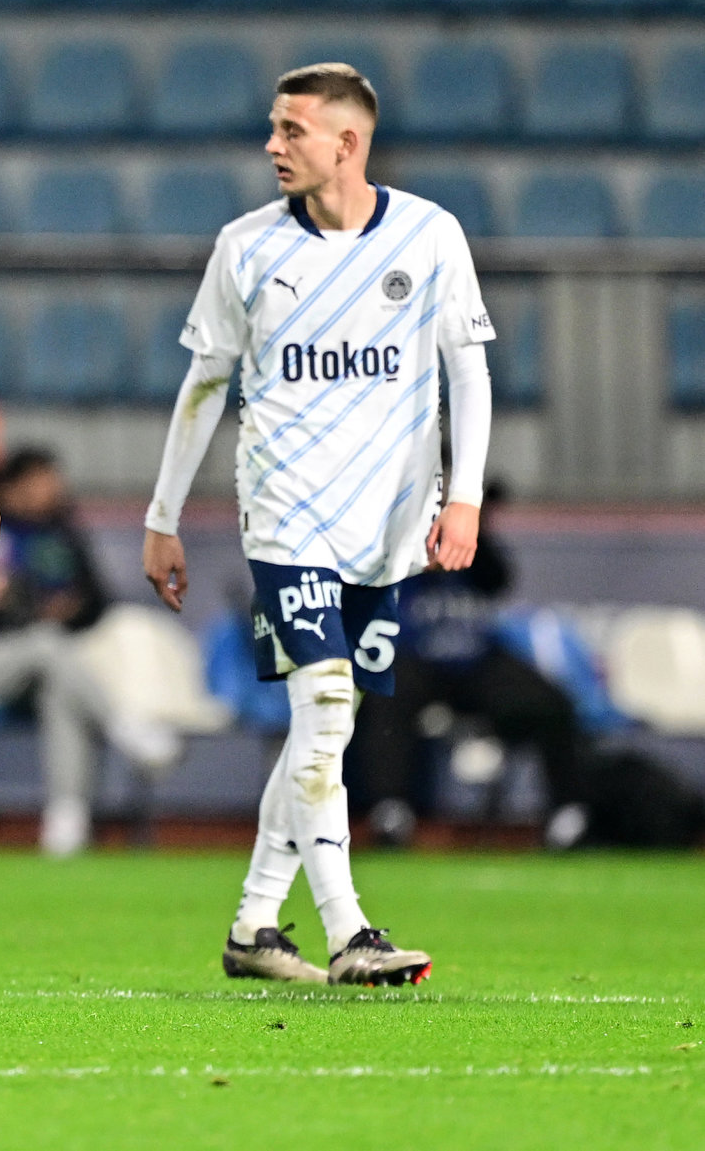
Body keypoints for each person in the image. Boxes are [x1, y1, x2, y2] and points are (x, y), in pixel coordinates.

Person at [141, 62, 493, 988]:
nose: (271, 145)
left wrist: (464, 497)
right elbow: (205, 384)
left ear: (347, 141)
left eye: (290, 130)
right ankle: (349, 931)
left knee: (318, 732)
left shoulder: (428, 234)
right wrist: (161, 514)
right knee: (325, 707)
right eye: (271, 128)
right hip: (284, 519)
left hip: (384, 528)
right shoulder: (246, 248)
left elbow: (469, 371)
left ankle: (255, 924)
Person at [0, 448, 178, 855]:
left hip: (43, 668)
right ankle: (122, 724)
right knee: (46, 643)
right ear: (12, 486)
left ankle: (67, 822)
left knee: (59, 688)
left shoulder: (61, 531)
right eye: (41, 481)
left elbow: (99, 600)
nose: (52, 491)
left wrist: (72, 608)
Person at [350, 489, 591, 850]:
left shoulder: (473, 534)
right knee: (385, 695)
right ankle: (391, 811)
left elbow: (498, 579)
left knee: (550, 702)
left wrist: (473, 528)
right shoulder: (397, 530)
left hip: (475, 658)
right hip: (419, 656)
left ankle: (568, 814)